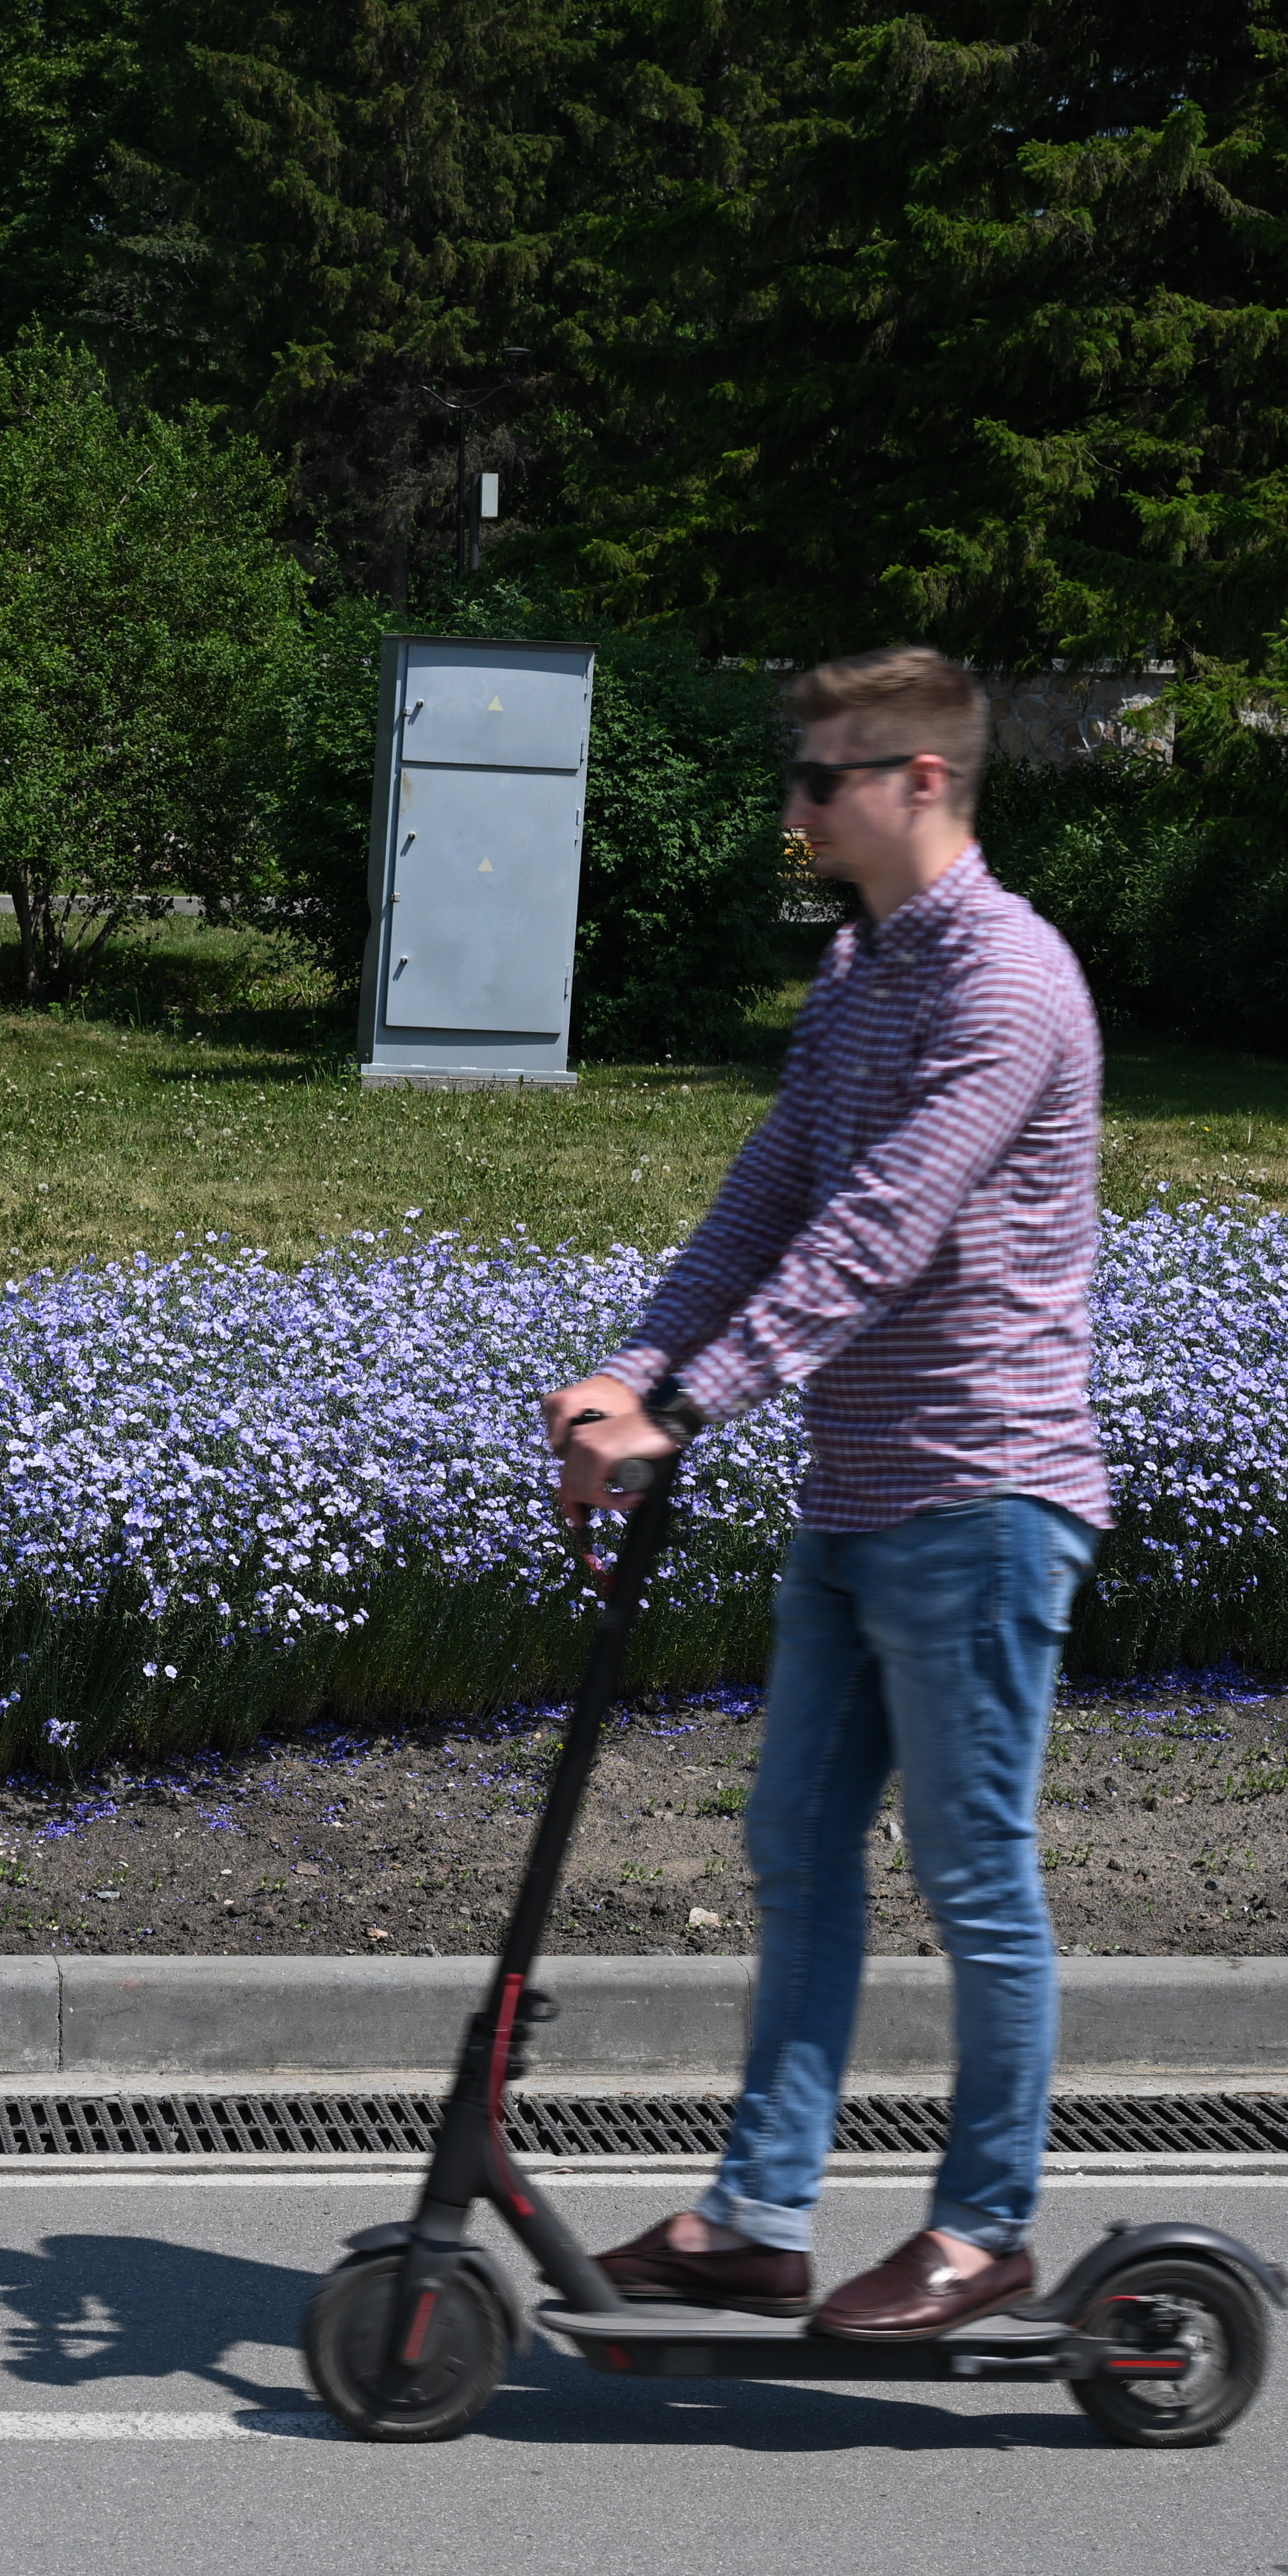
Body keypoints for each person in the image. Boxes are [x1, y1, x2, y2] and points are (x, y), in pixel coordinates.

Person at [538, 643, 1109, 2343]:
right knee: (794, 1841)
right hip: (860, 1491)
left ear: (919, 780)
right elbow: (770, 1195)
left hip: (986, 1490)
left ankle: (985, 2226)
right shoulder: (859, 976)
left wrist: (692, 1401)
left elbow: (882, 1236)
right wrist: (635, 1369)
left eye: (825, 779)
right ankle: (758, 2213)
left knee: (973, 1870)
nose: (796, 808)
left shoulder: (1007, 985)